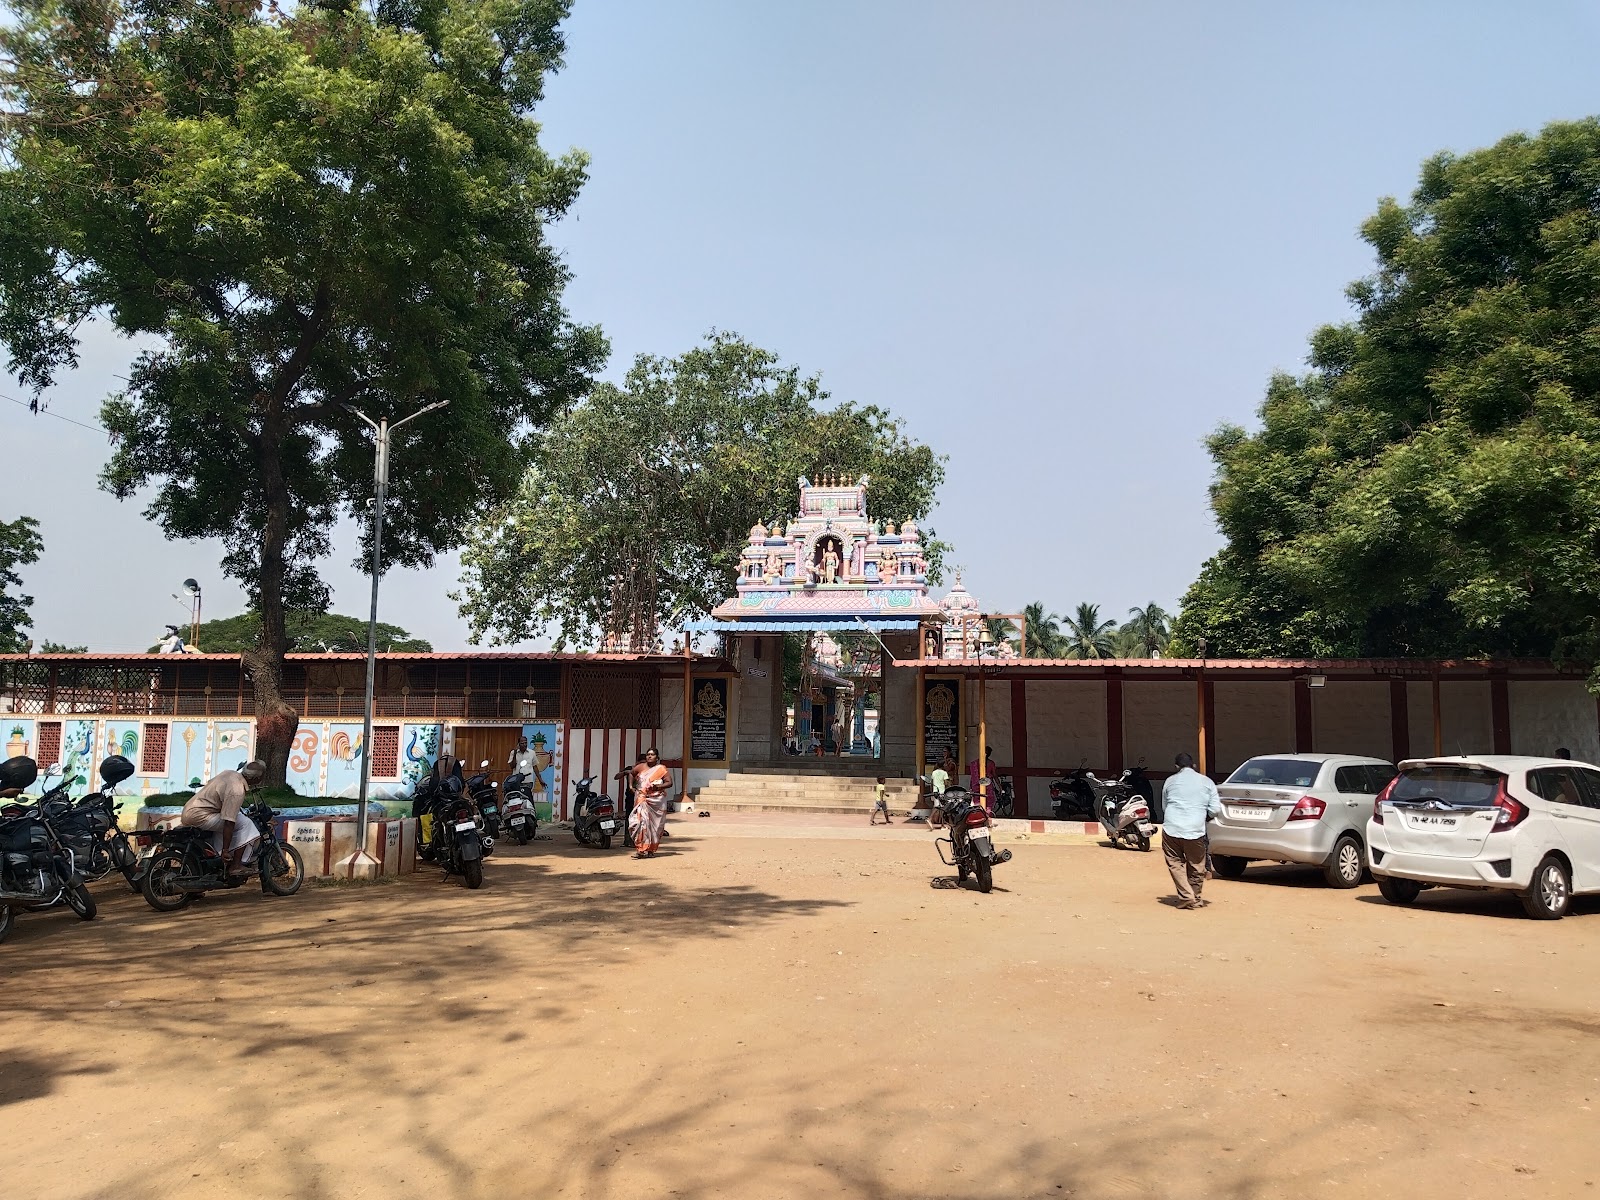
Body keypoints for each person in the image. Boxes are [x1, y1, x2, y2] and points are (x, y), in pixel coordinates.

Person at [180, 760, 267, 877]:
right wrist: (225, 850)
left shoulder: (229, 773)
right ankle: (236, 865)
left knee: (229, 821)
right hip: (200, 815)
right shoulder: (237, 790)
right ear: (256, 779)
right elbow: (229, 822)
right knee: (246, 823)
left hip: (190, 811)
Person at [1160, 752, 1222, 910]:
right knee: (1196, 865)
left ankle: (1187, 897)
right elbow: (1215, 810)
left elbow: (1164, 807)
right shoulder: (1207, 782)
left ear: (1176, 767)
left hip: (1171, 827)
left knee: (1175, 863)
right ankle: (1195, 897)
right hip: (1195, 830)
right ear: (1194, 766)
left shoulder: (1170, 781)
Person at [628, 747, 672, 858]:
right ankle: (640, 850)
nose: (649, 756)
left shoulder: (661, 769)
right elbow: (631, 773)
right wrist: (630, 786)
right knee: (638, 823)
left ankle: (651, 850)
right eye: (648, 754)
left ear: (657, 757)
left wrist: (658, 786)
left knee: (655, 826)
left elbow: (669, 783)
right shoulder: (641, 767)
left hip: (657, 801)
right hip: (642, 799)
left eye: (652, 755)